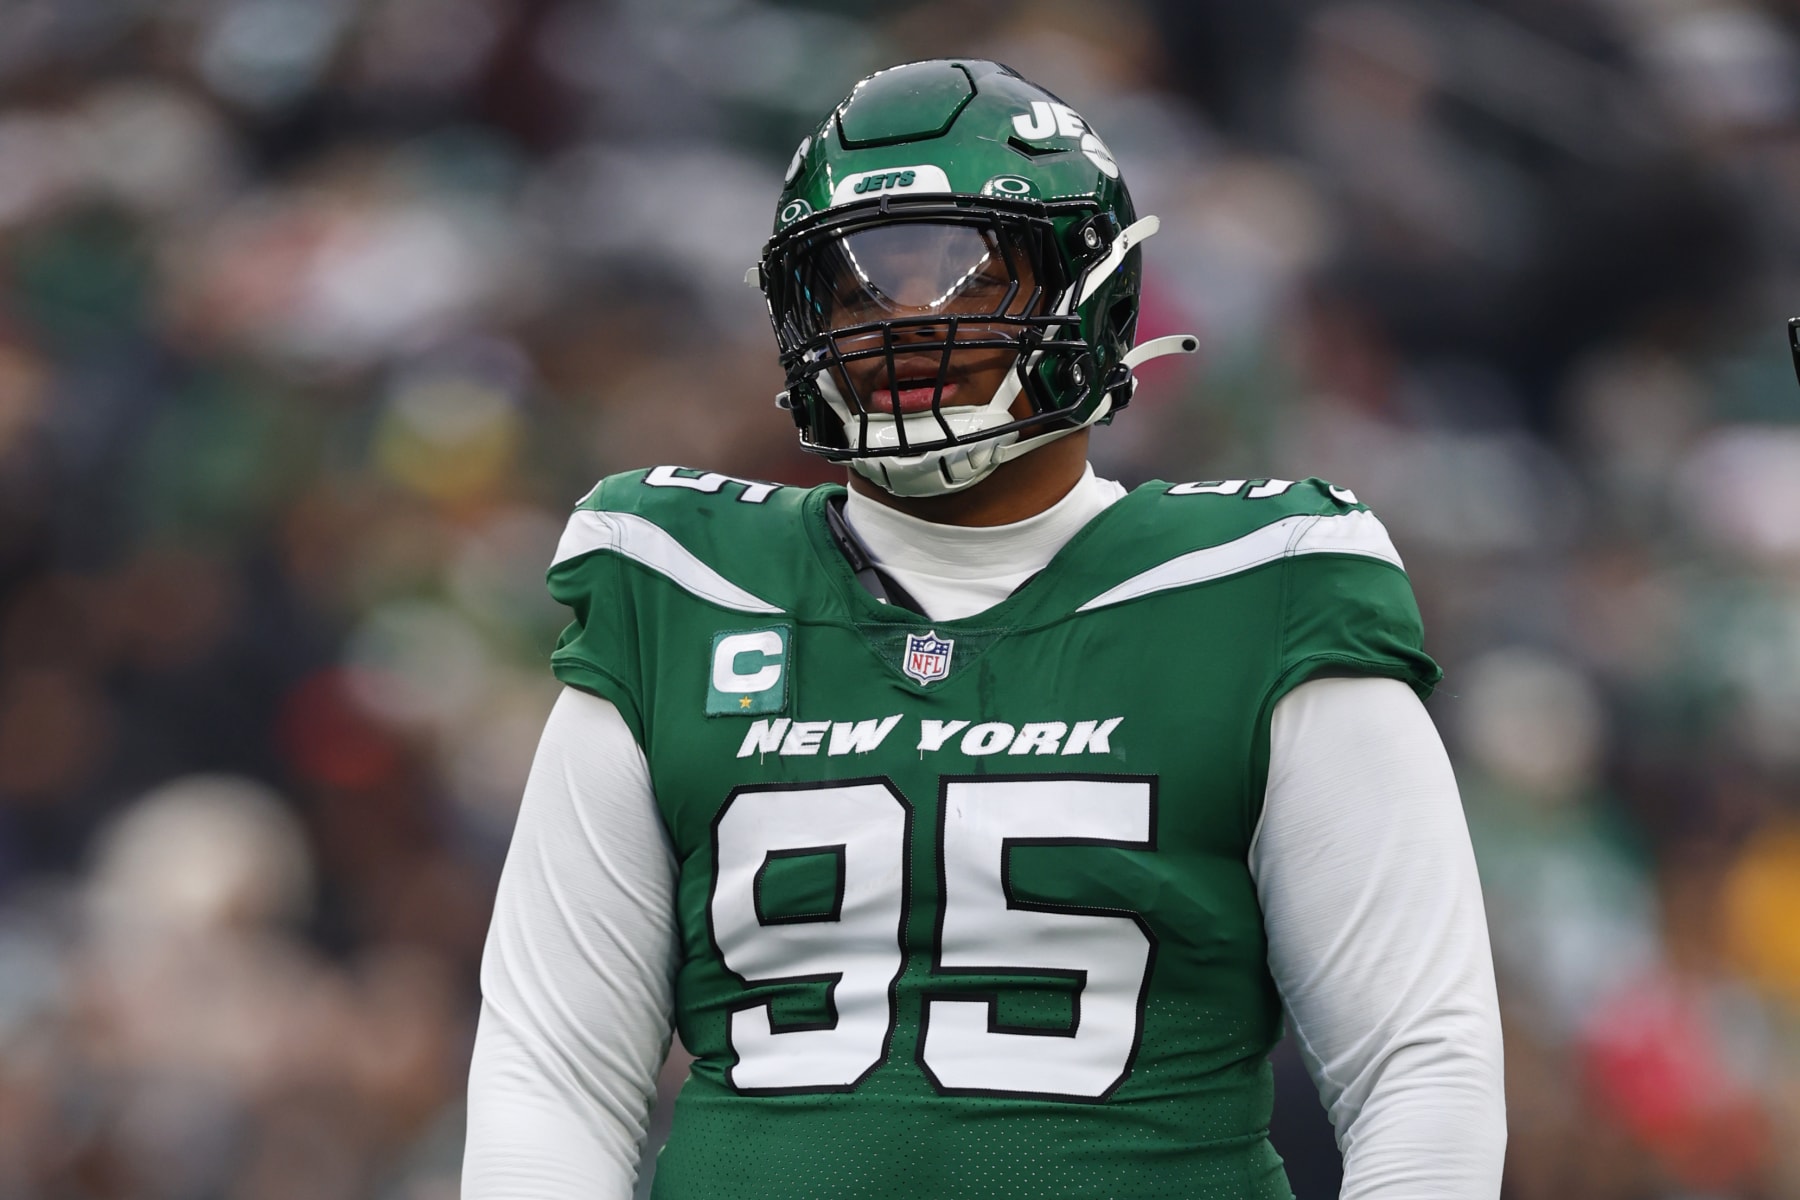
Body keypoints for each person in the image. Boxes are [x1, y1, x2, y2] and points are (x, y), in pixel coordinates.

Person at [463, 59, 1505, 1199]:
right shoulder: (679, 585)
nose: (897, 330)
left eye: (953, 276)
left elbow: (1419, 1070)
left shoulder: (1263, 587)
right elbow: (556, 1069)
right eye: (852, 291)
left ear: (1090, 292)